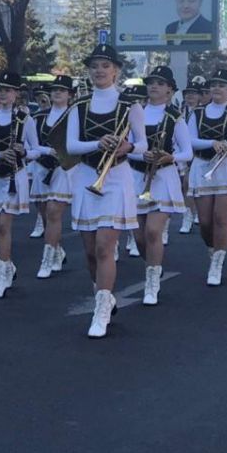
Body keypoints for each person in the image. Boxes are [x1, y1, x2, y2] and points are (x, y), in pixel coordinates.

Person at [65, 43, 147, 338]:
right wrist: (97, 143)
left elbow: (143, 144)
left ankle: (101, 309)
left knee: (104, 246)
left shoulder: (130, 105)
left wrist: (129, 146)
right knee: (89, 251)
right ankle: (103, 292)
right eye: (94, 66)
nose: (99, 70)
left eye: (105, 65)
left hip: (116, 178)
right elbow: (71, 145)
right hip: (87, 176)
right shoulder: (79, 106)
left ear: (116, 71)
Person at [129, 66, 191, 304]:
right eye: (151, 82)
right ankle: (153, 266)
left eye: (160, 83)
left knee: (153, 231)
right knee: (139, 235)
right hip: (137, 176)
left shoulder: (175, 117)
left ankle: (152, 282)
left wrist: (169, 157)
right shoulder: (135, 112)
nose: (154, 86)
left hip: (163, 177)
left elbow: (186, 151)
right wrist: (139, 155)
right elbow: (127, 146)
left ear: (169, 90)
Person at [0, 72, 39, 299]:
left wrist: (25, 152)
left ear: (16, 94)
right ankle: (9, 264)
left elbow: (36, 149)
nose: (3, 94)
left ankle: (1, 275)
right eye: (0, 90)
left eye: (8, 90)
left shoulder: (25, 120)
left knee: (4, 226)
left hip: (15, 175)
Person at [188, 69, 227, 287]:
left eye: (222, 85)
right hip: (202, 165)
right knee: (205, 221)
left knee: (221, 218)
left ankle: (218, 263)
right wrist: (212, 143)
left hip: (226, 169)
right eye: (214, 85)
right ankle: (212, 250)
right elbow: (190, 140)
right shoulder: (197, 113)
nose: (217, 89)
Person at [28, 75, 76, 279]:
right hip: (42, 167)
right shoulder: (39, 116)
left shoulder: (75, 115)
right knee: (45, 214)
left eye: (62, 90)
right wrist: (46, 152)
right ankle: (57, 249)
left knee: (54, 212)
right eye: (54, 89)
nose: (57, 93)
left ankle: (46, 259)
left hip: (64, 169)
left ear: (70, 94)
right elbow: (31, 143)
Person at [178, 76, 207, 234]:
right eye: (188, 93)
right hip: (182, 152)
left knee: (196, 185)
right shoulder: (179, 111)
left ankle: (196, 213)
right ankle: (188, 215)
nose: (190, 96)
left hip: (199, 153)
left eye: (194, 93)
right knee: (185, 185)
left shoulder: (203, 113)